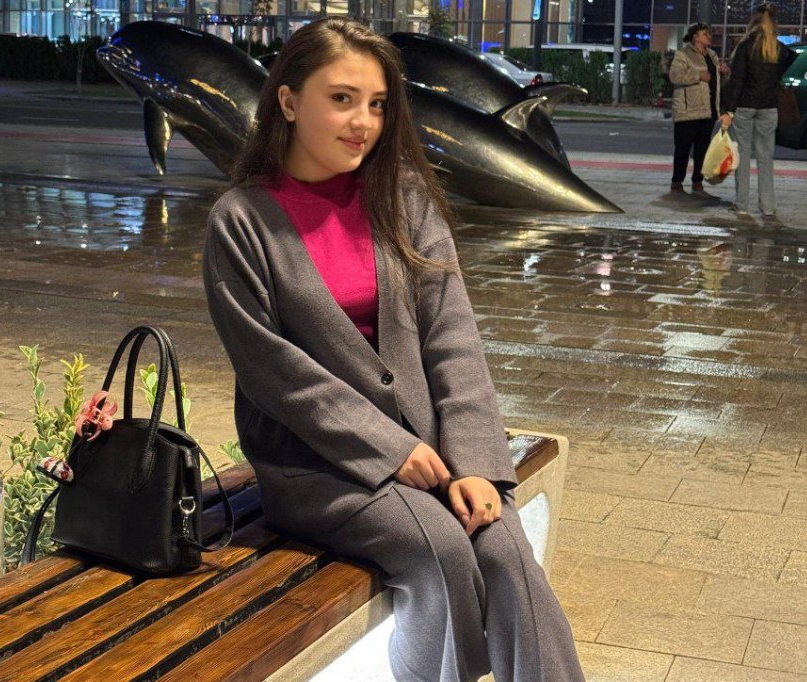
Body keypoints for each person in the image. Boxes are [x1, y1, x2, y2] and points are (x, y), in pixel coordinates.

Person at [202, 17, 584, 682]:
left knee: (505, 550)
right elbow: (274, 374)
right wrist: (390, 448)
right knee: (440, 549)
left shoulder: (403, 199)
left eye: (377, 104)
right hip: (317, 463)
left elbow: (453, 338)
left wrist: (475, 464)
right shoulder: (241, 221)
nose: (363, 122)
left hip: (436, 449)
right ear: (288, 101)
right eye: (342, 99)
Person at [719, 3, 797, 216]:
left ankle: (742, 204)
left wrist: (729, 110)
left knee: (742, 155)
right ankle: (768, 207)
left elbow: (737, 81)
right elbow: (784, 68)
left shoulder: (746, 46)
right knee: (766, 157)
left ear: (753, 21)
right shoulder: (778, 48)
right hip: (769, 107)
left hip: (745, 106)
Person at [668, 22, 729, 193]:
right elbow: (675, 76)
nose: (709, 36)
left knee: (702, 149)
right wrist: (698, 75)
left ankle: (697, 180)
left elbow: (716, 81)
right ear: (695, 37)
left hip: (708, 110)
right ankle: (677, 181)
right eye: (705, 34)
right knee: (683, 148)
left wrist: (723, 73)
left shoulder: (712, 55)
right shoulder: (683, 54)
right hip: (688, 111)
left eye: (708, 34)